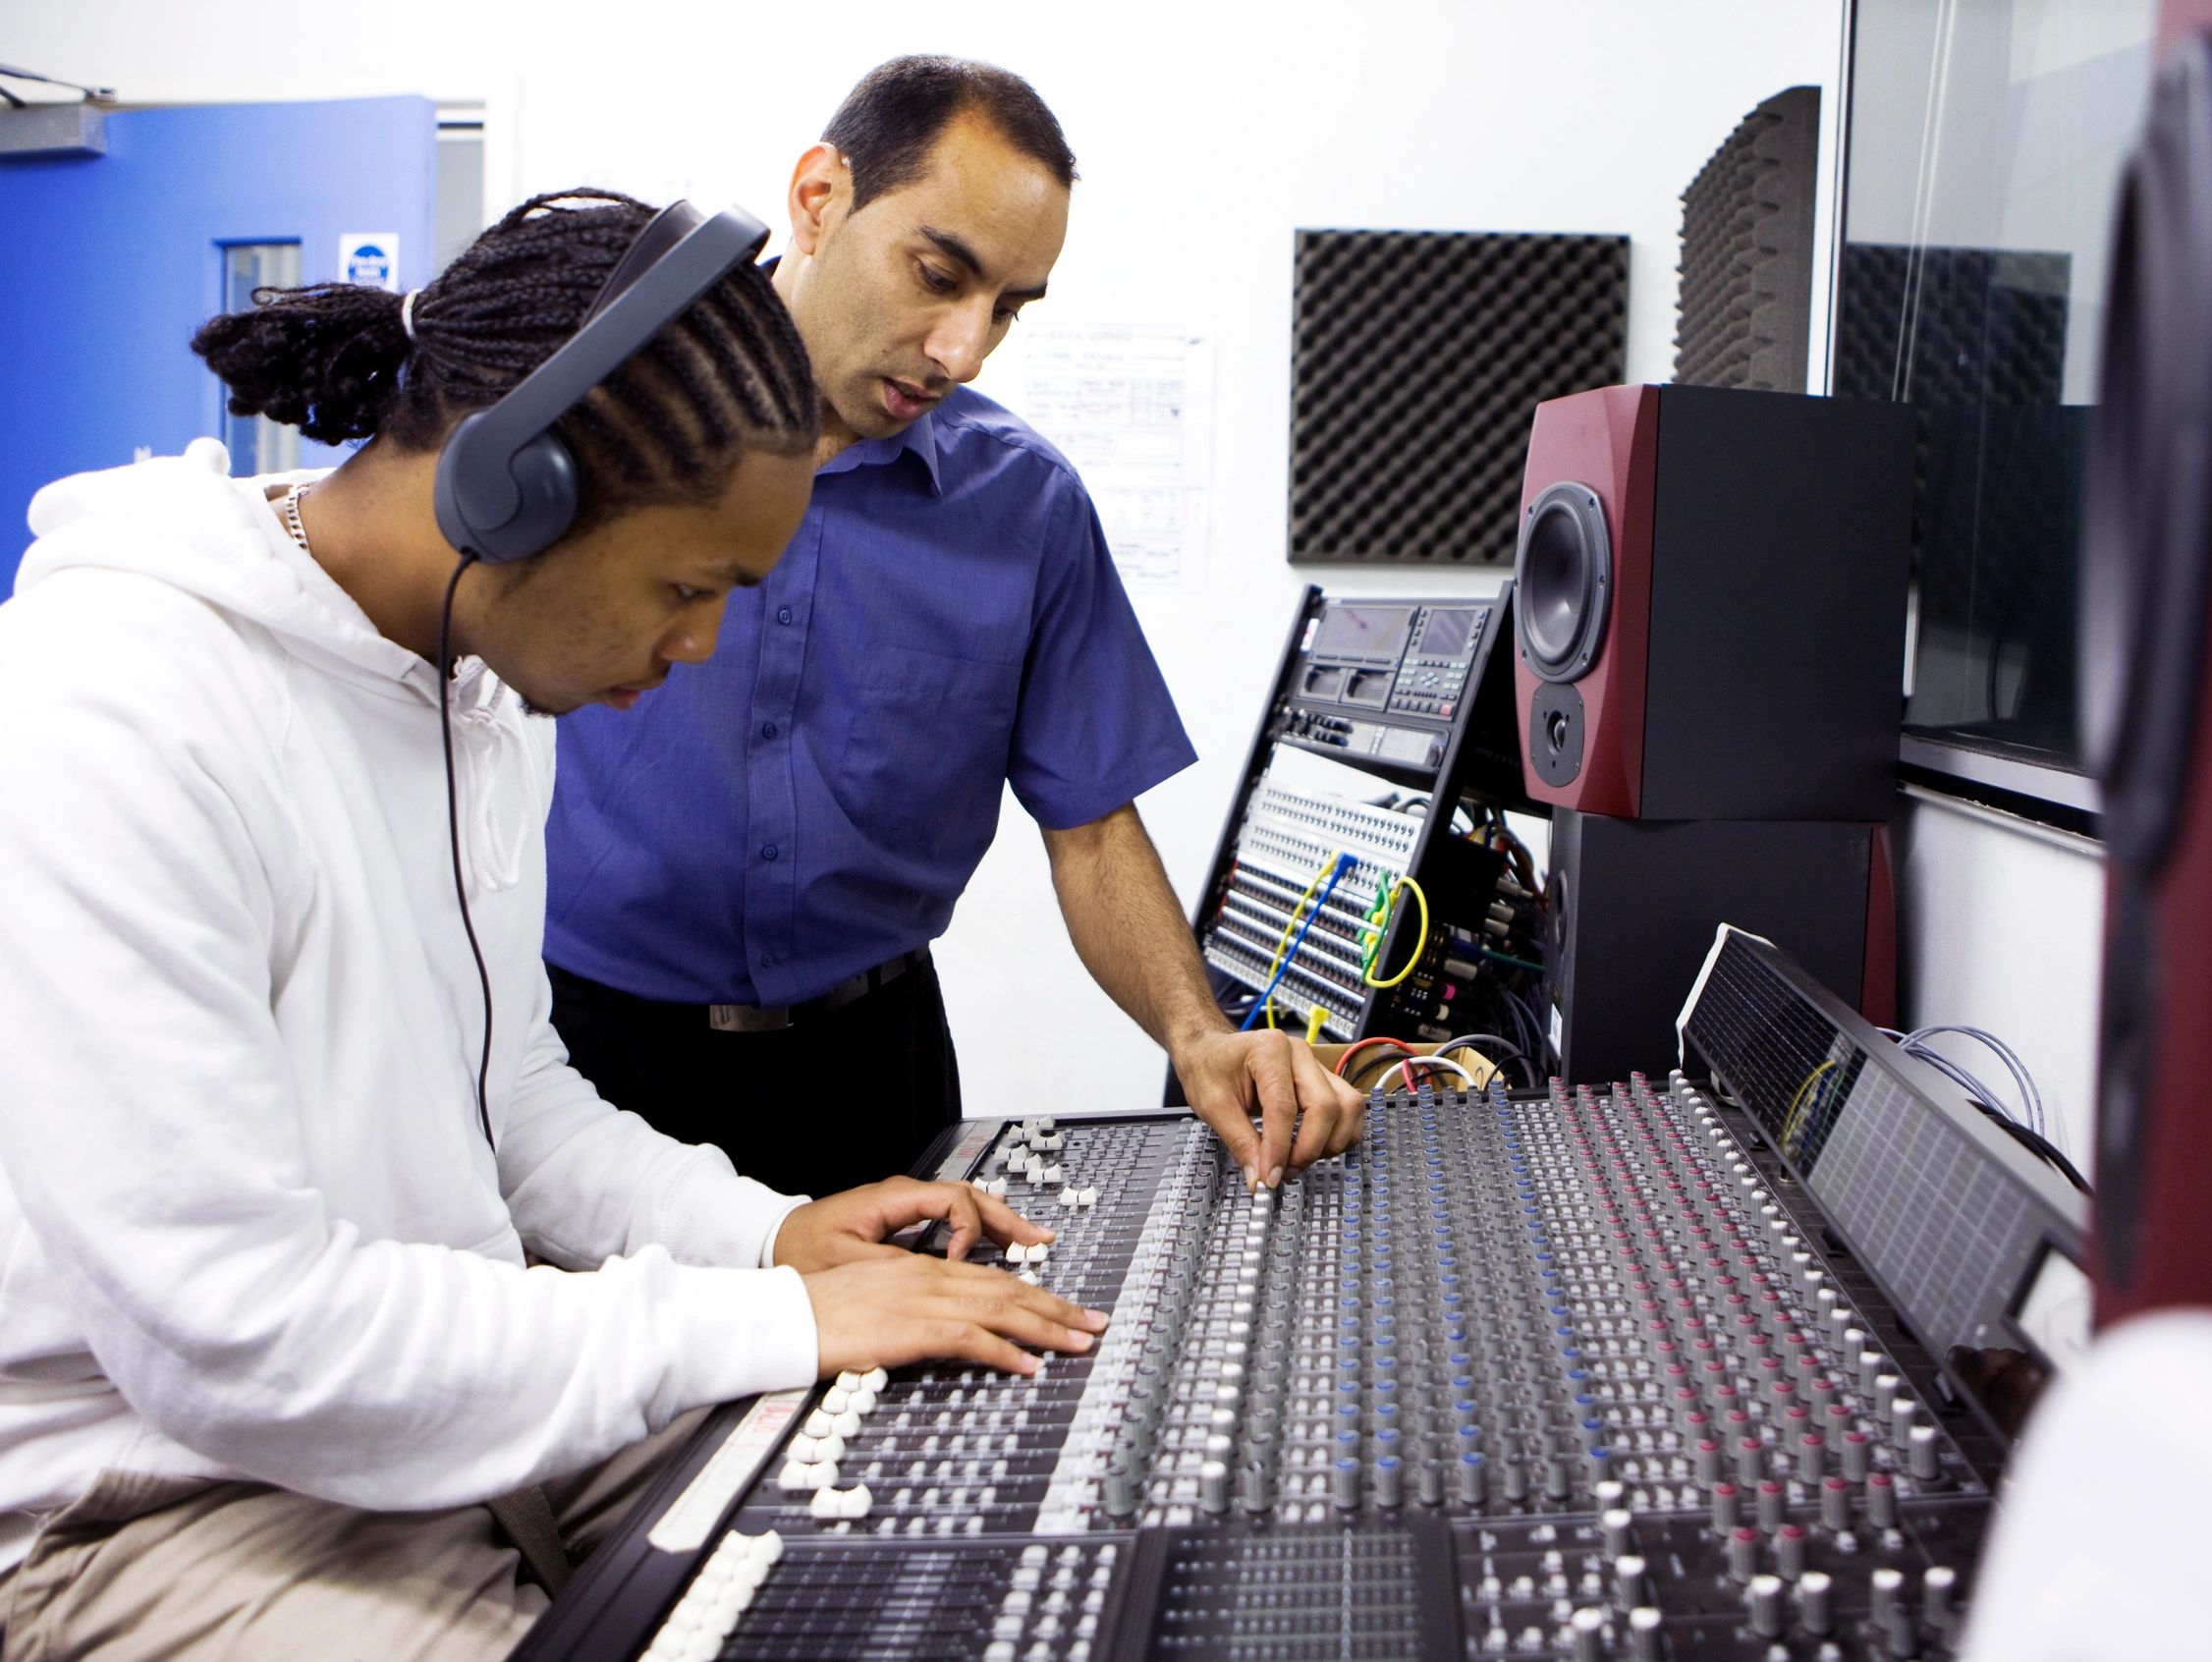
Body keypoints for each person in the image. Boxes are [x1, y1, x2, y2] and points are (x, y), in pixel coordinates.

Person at [0, 190, 1105, 1661]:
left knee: (944, 1501)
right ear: (510, 491)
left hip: (433, 1394)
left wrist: (773, 1240)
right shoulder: (116, 711)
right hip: (158, 1496)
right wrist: (768, 1325)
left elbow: (513, 1102)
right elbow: (243, 1336)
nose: (701, 644)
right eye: (687, 586)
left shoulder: (473, 690)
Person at [542, 56, 1368, 1199]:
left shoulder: (1025, 506)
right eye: (938, 275)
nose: (963, 350)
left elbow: (1090, 828)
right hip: (581, 1059)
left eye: (1009, 309)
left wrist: (1195, 1033)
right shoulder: (585, 425)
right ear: (819, 197)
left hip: (871, 1079)